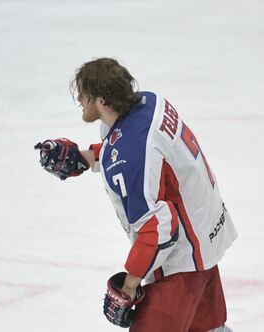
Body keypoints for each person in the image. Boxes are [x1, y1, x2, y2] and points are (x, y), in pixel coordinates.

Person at [35, 57, 237, 331]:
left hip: (182, 263)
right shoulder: (147, 102)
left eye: (85, 94)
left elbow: (157, 228)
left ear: (103, 101)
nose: (80, 99)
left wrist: (128, 286)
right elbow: (143, 153)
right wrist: (87, 157)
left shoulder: (131, 154)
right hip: (205, 237)